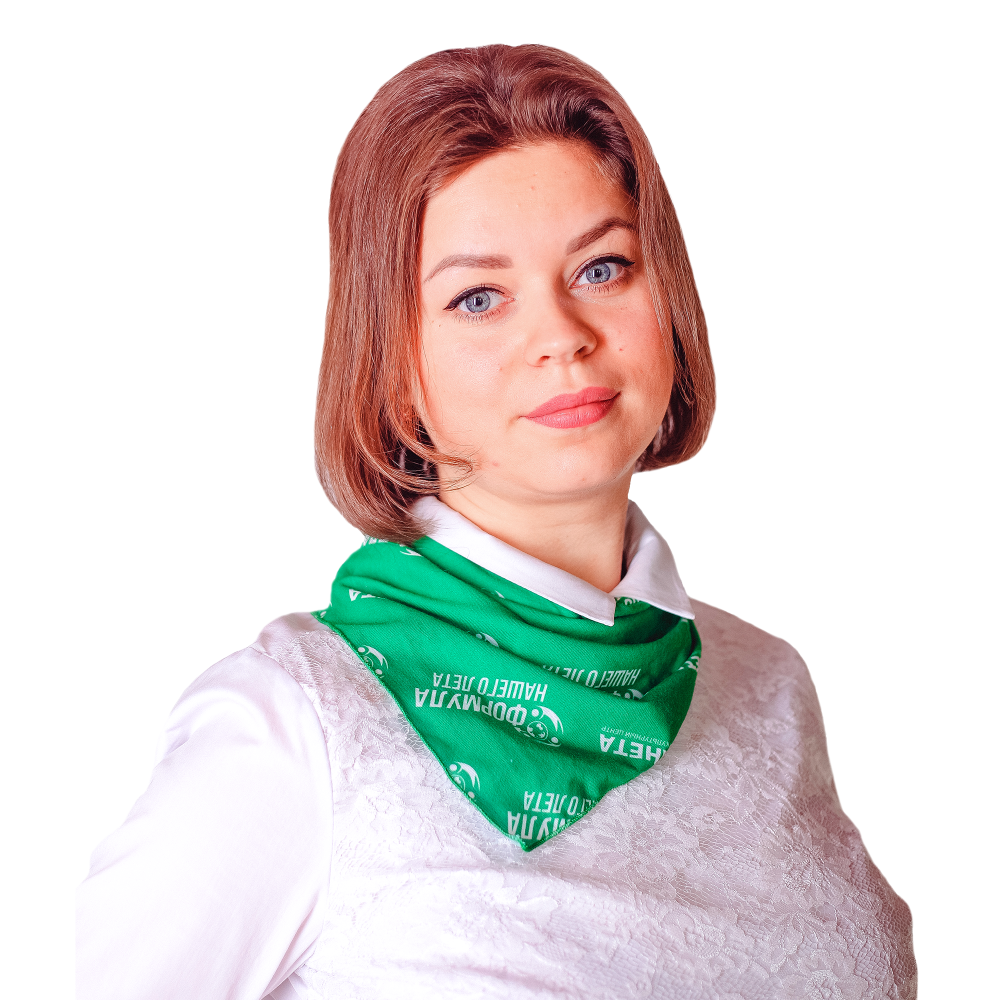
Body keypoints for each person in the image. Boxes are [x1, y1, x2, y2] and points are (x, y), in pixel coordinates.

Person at [77, 44, 917, 999]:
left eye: (602, 268)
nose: (561, 334)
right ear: (392, 362)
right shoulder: (289, 731)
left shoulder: (767, 686)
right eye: (478, 298)